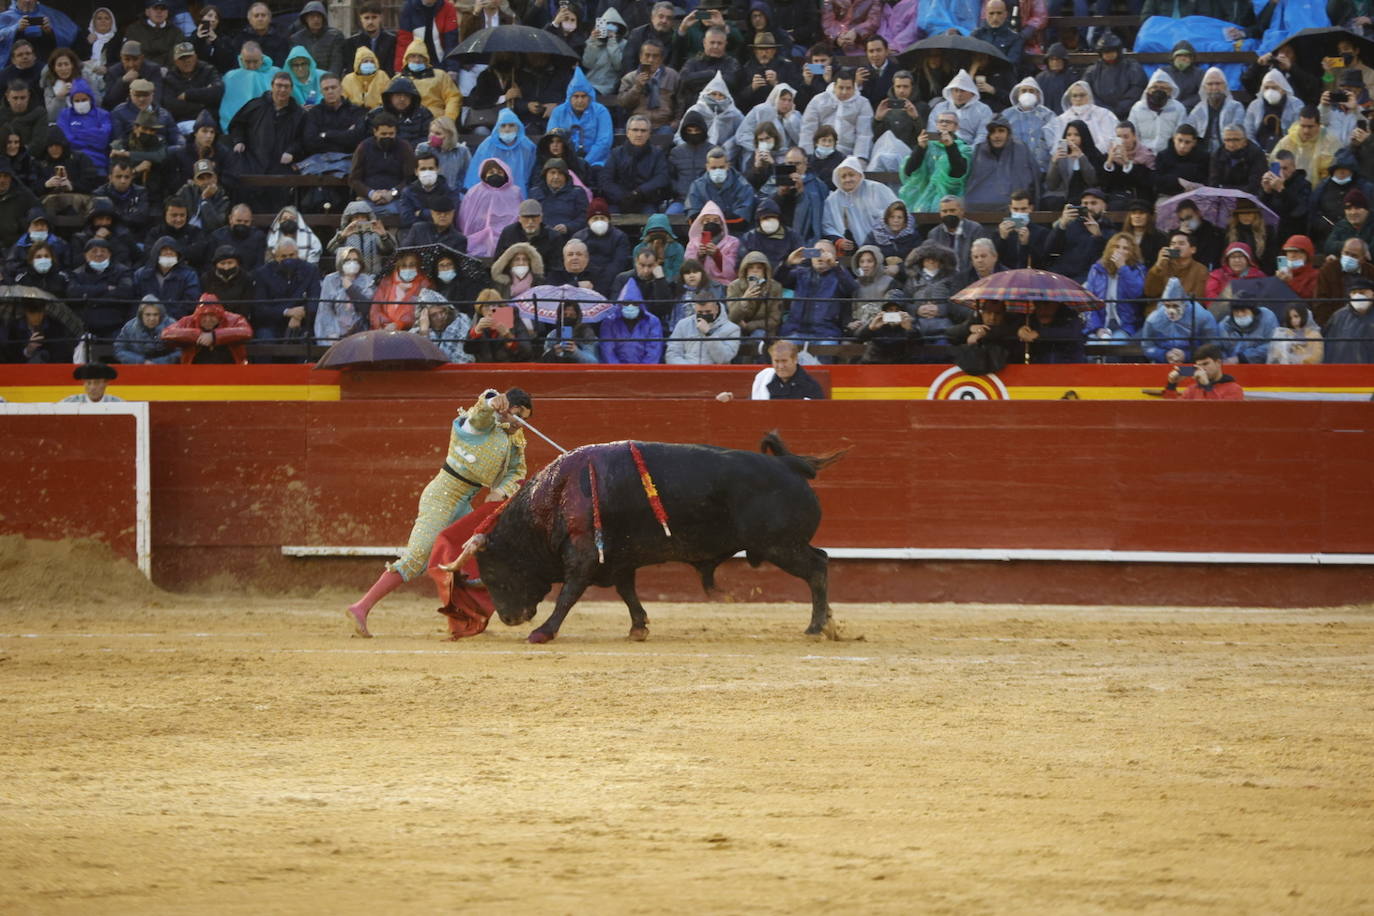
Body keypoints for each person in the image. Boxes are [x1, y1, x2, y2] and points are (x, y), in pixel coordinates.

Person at [346, 386, 530, 637]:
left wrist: (501, 491)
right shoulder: (478, 425)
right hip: (441, 495)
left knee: (469, 559)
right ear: (506, 407)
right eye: (517, 414)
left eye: (524, 418)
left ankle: (467, 616)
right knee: (416, 558)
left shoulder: (513, 440)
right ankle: (361, 607)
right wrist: (491, 401)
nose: (520, 422)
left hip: (466, 500)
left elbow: (516, 472)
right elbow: (480, 413)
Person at [898, 110, 970, 214]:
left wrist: (950, 146)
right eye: (941, 121)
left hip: (950, 200)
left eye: (948, 122)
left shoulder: (963, 148)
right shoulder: (927, 145)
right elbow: (909, 171)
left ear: (956, 127)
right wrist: (920, 148)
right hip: (921, 198)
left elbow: (958, 173)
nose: (944, 124)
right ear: (936, 125)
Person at [824, 157, 898, 254]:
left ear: (859, 175)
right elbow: (827, 226)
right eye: (843, 176)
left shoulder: (876, 189)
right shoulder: (832, 200)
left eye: (851, 175)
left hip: (883, 246)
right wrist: (839, 240)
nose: (848, 179)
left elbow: (897, 211)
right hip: (849, 251)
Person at [1141, 277, 1219, 364]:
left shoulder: (1202, 316)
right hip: (1163, 363)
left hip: (1195, 364)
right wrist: (1164, 355)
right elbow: (1147, 346)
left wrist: (1188, 355)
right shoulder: (1153, 319)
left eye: (1175, 306)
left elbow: (1212, 345)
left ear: (1184, 304)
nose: (1171, 311)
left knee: (1187, 375)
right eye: (1167, 306)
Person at [1084, 232, 1146, 340]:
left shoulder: (1138, 270)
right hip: (1100, 325)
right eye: (1116, 247)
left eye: (1125, 248)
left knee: (1114, 345)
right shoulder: (1097, 269)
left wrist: (1123, 268)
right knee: (1093, 346)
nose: (1120, 251)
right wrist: (1097, 328)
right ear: (1110, 249)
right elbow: (1089, 302)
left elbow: (1137, 294)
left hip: (1126, 326)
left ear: (1132, 252)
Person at [160, 293, 253, 364]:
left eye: (212, 315)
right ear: (197, 315)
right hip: (194, 373)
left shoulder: (234, 319)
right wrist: (197, 335)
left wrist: (214, 336)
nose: (208, 319)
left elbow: (246, 331)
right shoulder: (188, 321)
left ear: (220, 315)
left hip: (231, 370)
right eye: (203, 316)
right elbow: (166, 333)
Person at [460, 158, 524, 258]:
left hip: (508, 244)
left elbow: (520, 217)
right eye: (491, 172)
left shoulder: (515, 192)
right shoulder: (474, 192)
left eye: (499, 172)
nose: (496, 174)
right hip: (477, 245)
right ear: (484, 175)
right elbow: (464, 218)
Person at [315, 244, 374, 342]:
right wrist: (331, 333)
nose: (352, 263)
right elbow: (325, 310)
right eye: (348, 260)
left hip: (360, 332)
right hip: (335, 332)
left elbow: (367, 308)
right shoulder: (330, 280)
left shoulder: (367, 280)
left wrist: (350, 288)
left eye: (355, 260)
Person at [617, 38, 678, 133]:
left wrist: (677, 121)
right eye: (647, 55)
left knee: (666, 133)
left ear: (661, 59)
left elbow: (680, 101)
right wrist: (637, 87)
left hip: (663, 124)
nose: (651, 60)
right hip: (638, 123)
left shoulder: (672, 76)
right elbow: (623, 103)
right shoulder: (629, 78)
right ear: (641, 57)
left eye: (655, 56)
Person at [1082, 32, 1145, 121]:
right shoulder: (1092, 71)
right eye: (1105, 52)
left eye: (1111, 51)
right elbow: (1086, 91)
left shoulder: (1132, 67)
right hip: (1100, 116)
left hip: (1128, 115)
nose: (1108, 55)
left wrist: (1119, 109)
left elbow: (1137, 89)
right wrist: (1104, 110)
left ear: (1118, 51)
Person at [665, 291, 741, 364]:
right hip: (687, 371)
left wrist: (709, 334)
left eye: (708, 312)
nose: (704, 315)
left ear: (716, 309)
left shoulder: (732, 329)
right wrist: (689, 370)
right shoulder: (683, 324)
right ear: (695, 310)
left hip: (714, 373)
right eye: (700, 313)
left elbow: (724, 359)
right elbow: (672, 354)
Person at [1185, 67, 1245, 155]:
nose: (1214, 87)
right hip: (1202, 155)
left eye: (1218, 83)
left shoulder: (1236, 107)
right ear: (1204, 87)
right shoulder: (1198, 110)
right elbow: (1189, 131)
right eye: (1210, 84)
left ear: (1224, 86)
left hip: (1229, 153)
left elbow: (1238, 131)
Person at [1046, 81, 1117, 154]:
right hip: (1070, 159)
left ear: (1089, 95)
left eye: (1082, 95)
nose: (1078, 99)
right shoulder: (1062, 119)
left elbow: (1109, 139)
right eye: (1075, 95)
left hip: (1097, 159)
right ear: (1070, 98)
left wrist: (1089, 154)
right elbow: (1058, 143)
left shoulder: (1103, 114)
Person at [926, 69, 992, 148]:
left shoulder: (983, 110)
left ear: (971, 92)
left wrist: (968, 152)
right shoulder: (940, 107)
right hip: (941, 148)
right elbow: (931, 132)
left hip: (968, 150)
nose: (959, 94)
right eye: (955, 90)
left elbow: (983, 136)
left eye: (962, 91)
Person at [1129, 70, 1186, 155]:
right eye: (1155, 87)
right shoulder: (1138, 108)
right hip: (1142, 154)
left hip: (1168, 155)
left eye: (1163, 88)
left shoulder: (1178, 108)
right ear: (1148, 90)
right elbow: (1132, 134)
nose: (1158, 90)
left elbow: (1181, 136)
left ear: (1170, 91)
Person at [597, 293, 664, 364]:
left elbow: (654, 350)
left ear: (640, 305)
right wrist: (618, 371)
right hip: (615, 371)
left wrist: (643, 372)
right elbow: (607, 351)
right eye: (626, 303)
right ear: (620, 304)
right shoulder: (609, 322)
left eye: (635, 303)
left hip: (645, 371)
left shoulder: (652, 321)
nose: (630, 306)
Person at [1163, 343, 1245, 399]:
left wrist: (1207, 386)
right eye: (1199, 365)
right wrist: (1171, 385)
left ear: (1218, 362)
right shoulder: (1192, 389)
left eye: (1205, 364)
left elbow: (1220, 413)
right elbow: (1174, 411)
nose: (1202, 369)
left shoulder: (1234, 389)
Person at [1145, 229, 1208, 299]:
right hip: (1161, 306)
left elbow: (1198, 299)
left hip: (1186, 307)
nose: (1176, 247)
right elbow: (1150, 293)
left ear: (1193, 249)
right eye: (1172, 244)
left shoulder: (1200, 269)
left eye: (1181, 244)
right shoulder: (1163, 265)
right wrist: (1158, 266)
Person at [114, 298, 178, 365]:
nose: (152, 318)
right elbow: (119, 350)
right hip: (136, 368)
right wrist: (141, 361)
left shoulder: (172, 325)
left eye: (155, 314)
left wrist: (158, 362)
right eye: (148, 314)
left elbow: (181, 351)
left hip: (166, 368)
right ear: (141, 315)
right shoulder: (129, 327)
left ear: (161, 315)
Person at [1216, 295, 1279, 364]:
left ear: (1253, 311)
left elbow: (1272, 346)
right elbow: (1219, 349)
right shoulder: (1224, 325)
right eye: (1236, 312)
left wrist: (1242, 358)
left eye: (1244, 311)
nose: (1240, 314)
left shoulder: (1267, 317)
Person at [1324, 277, 1374, 362]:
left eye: (1362, 292)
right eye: (1354, 292)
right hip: (1344, 370)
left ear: (1372, 294)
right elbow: (1328, 347)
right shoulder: (1339, 316)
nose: (1358, 296)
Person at [1276, 235, 1318, 299]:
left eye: (1296, 251)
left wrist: (1287, 283)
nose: (1292, 255)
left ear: (1307, 255)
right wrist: (1276, 282)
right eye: (1289, 251)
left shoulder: (1315, 276)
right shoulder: (1281, 275)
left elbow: (1306, 297)